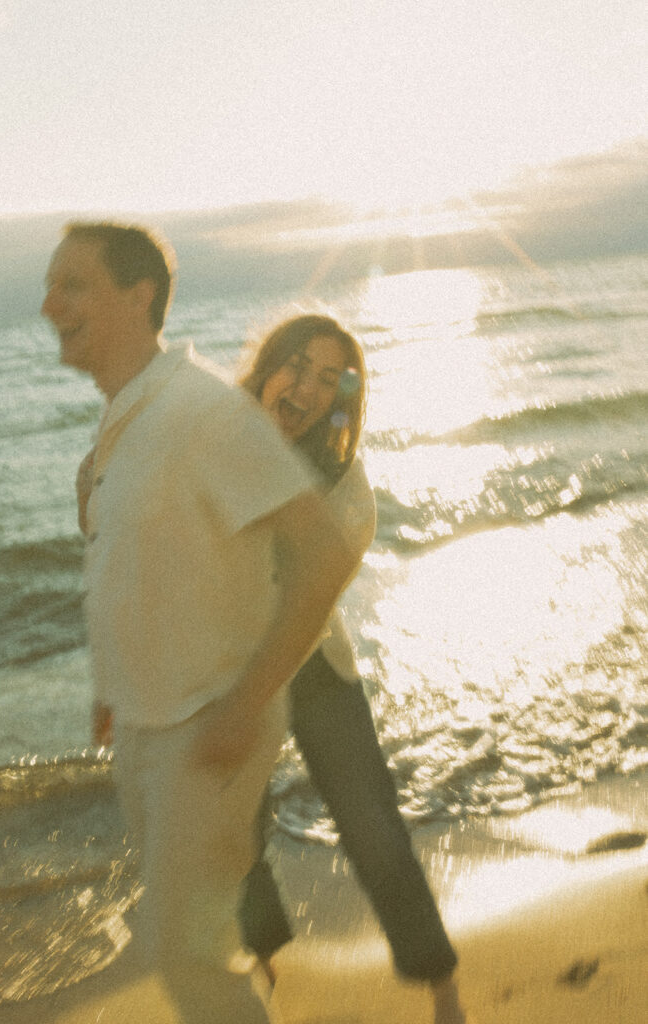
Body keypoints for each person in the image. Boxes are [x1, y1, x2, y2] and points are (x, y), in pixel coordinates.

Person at [42, 223, 357, 1024]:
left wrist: (247, 702)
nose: (50, 305)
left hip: (206, 732)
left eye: (73, 284)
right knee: (193, 955)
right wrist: (113, 685)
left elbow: (322, 555)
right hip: (147, 727)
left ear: (139, 294)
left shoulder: (202, 409)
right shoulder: (130, 415)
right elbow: (141, 568)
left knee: (185, 960)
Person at [236, 314, 468, 1024]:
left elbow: (303, 598)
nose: (304, 385)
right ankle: (264, 963)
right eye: (296, 364)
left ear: (341, 397)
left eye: (327, 377)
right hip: (225, 670)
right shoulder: (212, 441)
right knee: (230, 836)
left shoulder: (342, 482)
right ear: (267, 365)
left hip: (310, 669)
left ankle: (440, 986)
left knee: (372, 827)